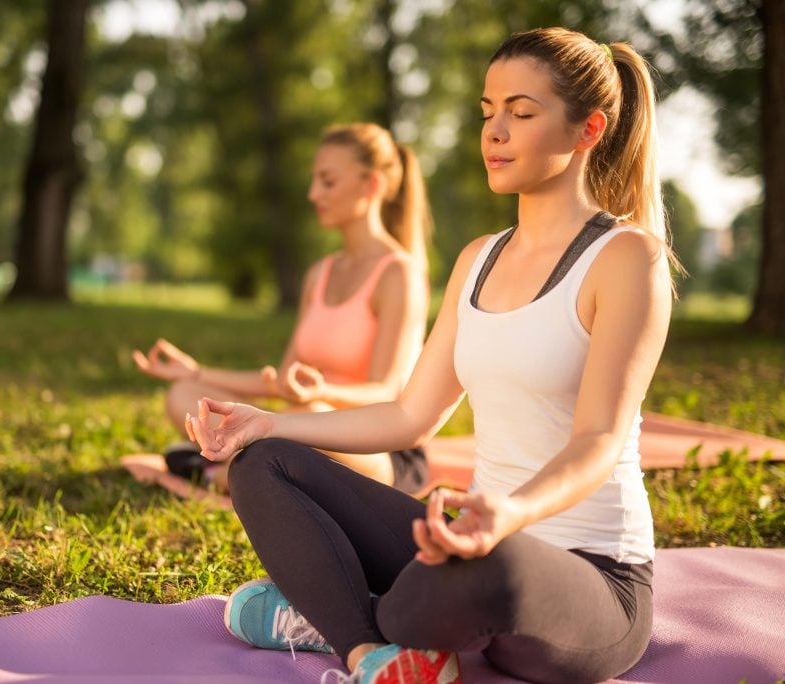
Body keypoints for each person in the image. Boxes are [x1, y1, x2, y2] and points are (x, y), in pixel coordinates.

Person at [187, 27, 675, 684]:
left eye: (522, 113)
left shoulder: (625, 259)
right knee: (263, 464)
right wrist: (270, 423)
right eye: (488, 111)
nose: (494, 131)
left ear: (588, 130)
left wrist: (509, 513)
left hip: (589, 579)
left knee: (477, 572)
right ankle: (369, 653)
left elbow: (596, 439)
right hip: (470, 540)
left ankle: (332, 609)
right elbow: (411, 414)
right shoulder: (478, 259)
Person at [134, 122, 433, 493]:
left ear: (370, 185)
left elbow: (391, 393)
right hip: (303, 425)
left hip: (380, 449)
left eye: (327, 181)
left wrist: (321, 392)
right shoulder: (319, 274)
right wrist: (197, 372)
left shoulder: (399, 275)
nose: (313, 194)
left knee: (311, 416)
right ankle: (233, 465)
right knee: (184, 395)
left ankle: (218, 471)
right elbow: (280, 381)